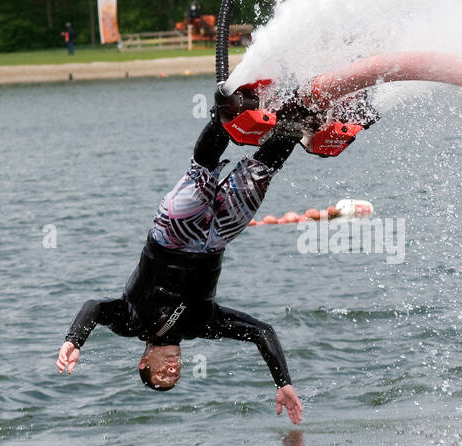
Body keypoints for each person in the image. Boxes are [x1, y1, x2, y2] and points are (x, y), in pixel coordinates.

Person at [56, 107, 318, 424]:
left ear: (144, 362)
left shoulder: (133, 322)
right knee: (259, 174)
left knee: (201, 174)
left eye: (162, 375)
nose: (173, 371)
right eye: (175, 378)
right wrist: (284, 383)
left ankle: (229, 110)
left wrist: (74, 340)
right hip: (218, 236)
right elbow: (262, 332)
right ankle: (297, 117)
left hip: (173, 235)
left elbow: (94, 307)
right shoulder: (203, 326)